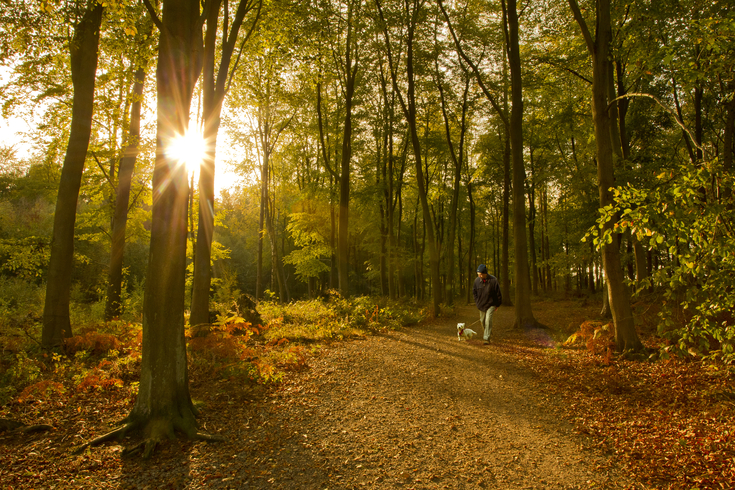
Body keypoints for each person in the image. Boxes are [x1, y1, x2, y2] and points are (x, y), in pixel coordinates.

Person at [472, 264, 502, 345]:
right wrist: (477, 302)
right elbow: (474, 292)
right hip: (481, 305)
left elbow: (498, 293)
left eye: (481, 274)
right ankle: (488, 332)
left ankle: (486, 338)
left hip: (491, 304)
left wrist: (497, 304)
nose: (480, 276)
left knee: (488, 320)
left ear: (485, 273)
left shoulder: (493, 280)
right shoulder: (476, 281)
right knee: (483, 321)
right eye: (478, 274)